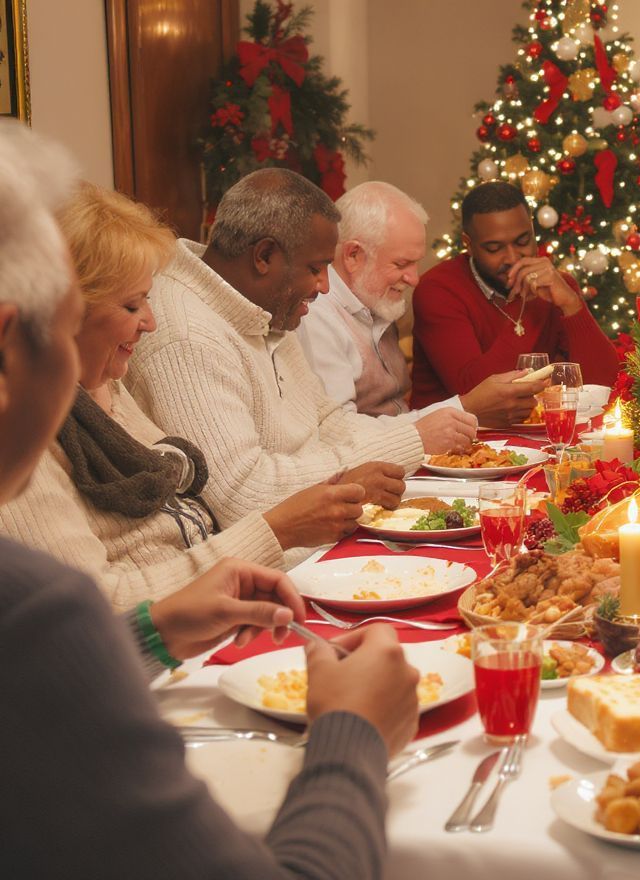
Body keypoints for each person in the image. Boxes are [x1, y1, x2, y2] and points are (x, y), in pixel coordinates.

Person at [0, 120, 418, 879]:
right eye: (67, 328)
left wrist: (153, 629)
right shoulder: (37, 608)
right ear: (7, 347)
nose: (149, 326)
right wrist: (354, 734)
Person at [0, 183, 381, 610]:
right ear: (58, 314)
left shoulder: (103, 386)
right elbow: (98, 607)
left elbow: (190, 520)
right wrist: (278, 531)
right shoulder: (20, 440)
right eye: (131, 306)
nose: (151, 323)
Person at [125, 168, 475, 532]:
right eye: (316, 268)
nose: (325, 286)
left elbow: (328, 421)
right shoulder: (187, 336)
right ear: (264, 256)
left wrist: (415, 439)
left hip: (320, 529)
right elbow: (242, 495)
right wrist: (392, 455)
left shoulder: (264, 306)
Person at [297, 181, 546, 426]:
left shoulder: (374, 300)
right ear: (353, 255)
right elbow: (342, 433)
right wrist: (465, 406)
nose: (414, 279)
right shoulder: (318, 316)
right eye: (401, 264)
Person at [409, 181, 618, 408]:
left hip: (532, 436)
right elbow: (474, 393)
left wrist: (572, 305)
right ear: (468, 244)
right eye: (494, 248)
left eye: (523, 241)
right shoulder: (438, 290)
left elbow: (605, 386)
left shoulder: (556, 287)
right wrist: (528, 304)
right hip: (448, 436)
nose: (512, 257)